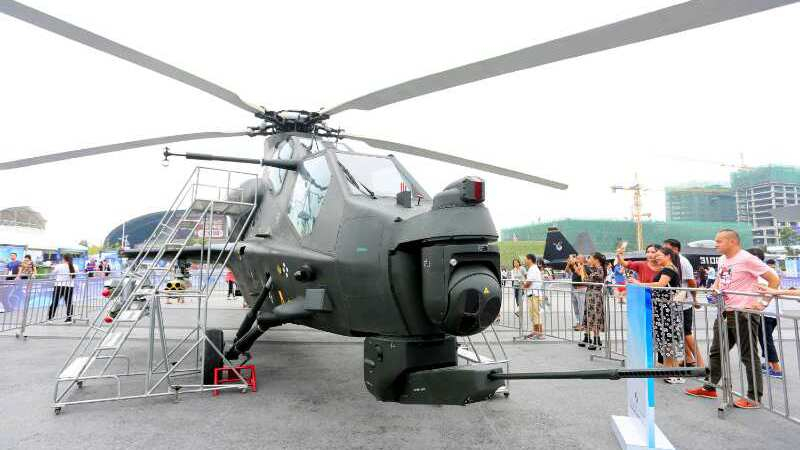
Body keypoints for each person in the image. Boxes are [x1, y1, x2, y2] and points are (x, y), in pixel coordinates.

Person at [686, 229, 780, 409]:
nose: (716, 244)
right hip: (725, 311)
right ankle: (710, 387)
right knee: (716, 351)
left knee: (748, 355)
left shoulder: (747, 259)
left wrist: (762, 303)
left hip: (743, 314)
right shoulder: (722, 259)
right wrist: (715, 289)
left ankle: (754, 397)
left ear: (733, 242)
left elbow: (774, 280)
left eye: (719, 241)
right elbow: (720, 279)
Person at [629, 246, 685, 384]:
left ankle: (674, 373)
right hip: (662, 309)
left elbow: (661, 284)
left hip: (666, 309)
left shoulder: (668, 269)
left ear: (668, 256)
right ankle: (669, 370)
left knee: (668, 341)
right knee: (665, 341)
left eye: (659, 255)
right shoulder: (668, 268)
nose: (656, 258)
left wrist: (639, 284)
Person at [662, 239, 703, 369]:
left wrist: (694, 299)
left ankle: (701, 363)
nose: (663, 251)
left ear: (675, 249)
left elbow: (692, 282)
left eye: (666, 248)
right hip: (674, 303)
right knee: (678, 333)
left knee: (686, 332)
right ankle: (688, 358)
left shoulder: (683, 262)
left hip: (684, 303)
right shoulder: (670, 262)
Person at [748, 253, 783, 378]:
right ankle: (768, 364)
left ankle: (777, 369)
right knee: (764, 339)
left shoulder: (761, 273)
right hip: (772, 312)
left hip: (766, 312)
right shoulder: (767, 271)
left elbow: (763, 288)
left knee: (766, 339)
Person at [579, 253, 607, 351]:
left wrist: (582, 269)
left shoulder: (599, 270)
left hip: (595, 297)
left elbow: (585, 280)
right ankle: (589, 337)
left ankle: (596, 339)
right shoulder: (595, 269)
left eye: (590, 258)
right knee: (589, 316)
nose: (588, 260)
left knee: (595, 317)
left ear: (596, 259)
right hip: (590, 295)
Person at [49, 255, 76, 323]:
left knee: (55, 302)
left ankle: (50, 318)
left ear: (64, 259)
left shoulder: (59, 266)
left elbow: (53, 274)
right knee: (69, 302)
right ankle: (69, 318)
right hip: (69, 286)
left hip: (59, 286)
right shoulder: (75, 266)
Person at [522, 254, 544, 339]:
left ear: (530, 260)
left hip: (534, 294)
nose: (524, 261)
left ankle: (539, 333)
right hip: (532, 294)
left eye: (525, 259)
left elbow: (529, 282)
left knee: (535, 314)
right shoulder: (532, 268)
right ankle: (535, 331)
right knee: (533, 314)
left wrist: (523, 286)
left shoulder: (533, 269)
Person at [566, 255, 587, 331]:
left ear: (583, 260)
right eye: (576, 258)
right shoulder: (576, 265)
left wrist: (574, 265)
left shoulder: (584, 266)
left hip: (581, 289)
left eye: (578, 258)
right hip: (574, 288)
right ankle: (578, 322)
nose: (576, 259)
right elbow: (567, 271)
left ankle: (582, 324)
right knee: (576, 307)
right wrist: (569, 263)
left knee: (581, 307)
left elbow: (579, 274)